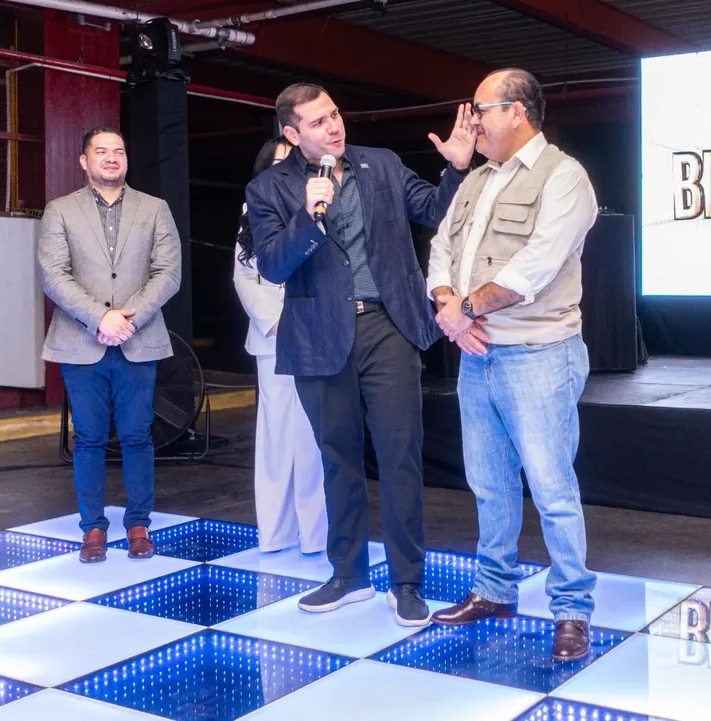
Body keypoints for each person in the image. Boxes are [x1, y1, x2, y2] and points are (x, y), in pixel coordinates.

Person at [245, 83, 475, 627]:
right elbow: (272, 265)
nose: (333, 126)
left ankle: (406, 582)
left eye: (334, 114)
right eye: (318, 121)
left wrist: (457, 169)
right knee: (338, 458)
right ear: (291, 133)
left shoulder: (382, 164)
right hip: (319, 336)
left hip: (387, 326)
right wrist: (308, 216)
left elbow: (435, 210)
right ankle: (347, 576)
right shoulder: (268, 187)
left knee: (400, 456)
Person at [426, 69, 599, 661]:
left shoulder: (564, 176)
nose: (472, 121)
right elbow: (441, 248)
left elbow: (537, 265)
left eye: (481, 109)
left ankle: (572, 610)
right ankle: (494, 591)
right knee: (489, 483)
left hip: (538, 354)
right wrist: (447, 304)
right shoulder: (476, 179)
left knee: (552, 488)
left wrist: (463, 310)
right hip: (478, 353)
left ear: (518, 112)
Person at [37, 126, 182, 564]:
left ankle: (139, 525)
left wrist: (128, 319)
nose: (112, 157)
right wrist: (101, 317)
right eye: (101, 151)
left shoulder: (155, 208)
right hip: (81, 340)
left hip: (138, 338)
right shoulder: (60, 210)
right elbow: (53, 276)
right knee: (89, 438)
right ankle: (93, 529)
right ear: (85, 161)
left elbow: (168, 273)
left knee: (138, 436)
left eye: (118, 150)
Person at [234, 135, 327, 555]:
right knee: (274, 438)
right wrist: (273, 322)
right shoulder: (251, 210)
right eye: (277, 163)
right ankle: (275, 534)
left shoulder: (324, 207)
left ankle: (316, 536)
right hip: (272, 337)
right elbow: (244, 277)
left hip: (317, 337)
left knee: (312, 438)